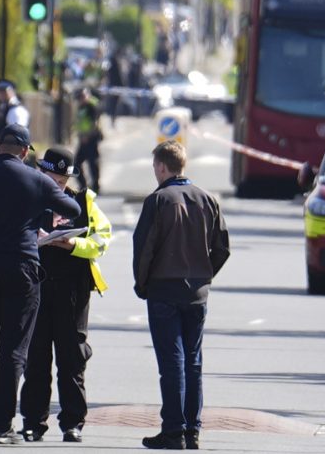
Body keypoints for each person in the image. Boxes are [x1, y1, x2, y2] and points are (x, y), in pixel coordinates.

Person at [0, 124, 81, 445]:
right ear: (24, 151)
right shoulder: (36, 181)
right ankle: (1, 426)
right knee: (14, 351)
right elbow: (73, 209)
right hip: (21, 270)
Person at [133, 141, 230, 450]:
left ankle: (173, 429)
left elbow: (144, 249)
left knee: (172, 362)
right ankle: (193, 429)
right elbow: (222, 247)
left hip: (163, 288)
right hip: (197, 292)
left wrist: (142, 283)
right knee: (193, 360)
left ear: (162, 167)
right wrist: (204, 274)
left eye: (154, 168)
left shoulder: (158, 200)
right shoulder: (208, 199)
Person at [19, 147, 111, 443]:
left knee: (72, 359)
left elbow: (101, 240)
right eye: (52, 177)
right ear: (41, 172)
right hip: (36, 287)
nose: (57, 184)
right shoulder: (29, 198)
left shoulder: (84, 201)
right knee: (36, 358)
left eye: (62, 179)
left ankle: (73, 422)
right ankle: (33, 422)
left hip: (74, 289)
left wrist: (73, 245)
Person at [0, 79, 30, 161]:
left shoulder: (16, 110)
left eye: (4, 91)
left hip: (10, 155)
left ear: (12, 91)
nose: (1, 94)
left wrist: (0, 146)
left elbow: (17, 135)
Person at [73, 88, 102, 194]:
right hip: (83, 139)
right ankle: (83, 185)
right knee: (76, 163)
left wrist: (87, 135)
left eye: (82, 97)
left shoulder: (92, 106)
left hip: (91, 139)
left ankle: (95, 186)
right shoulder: (82, 107)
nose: (81, 99)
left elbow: (95, 123)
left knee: (92, 163)